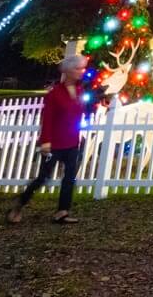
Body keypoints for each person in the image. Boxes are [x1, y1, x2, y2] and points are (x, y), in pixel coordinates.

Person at [8, 52, 91, 225]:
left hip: (72, 141)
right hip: (55, 143)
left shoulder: (80, 91)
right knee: (43, 177)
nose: (80, 72)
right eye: (77, 69)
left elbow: (81, 113)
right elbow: (48, 119)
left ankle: (62, 211)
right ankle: (20, 202)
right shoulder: (55, 94)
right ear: (68, 71)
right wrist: (45, 141)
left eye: (81, 68)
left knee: (69, 177)